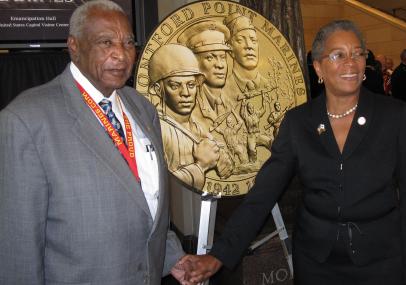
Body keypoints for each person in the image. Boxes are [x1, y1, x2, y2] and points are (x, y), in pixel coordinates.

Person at [179, 20, 406, 285]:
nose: (351, 63)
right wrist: (219, 255)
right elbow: (263, 194)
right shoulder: (299, 123)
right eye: (339, 55)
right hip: (317, 262)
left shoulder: (395, 116)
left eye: (357, 53)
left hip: (380, 260)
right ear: (319, 67)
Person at [0, 1, 191, 284]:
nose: (122, 54)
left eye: (128, 43)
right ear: (74, 46)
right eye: (106, 42)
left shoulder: (142, 108)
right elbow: (18, 248)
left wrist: (172, 256)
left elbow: (146, 199)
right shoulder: (26, 120)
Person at [148, 43, 233, 188]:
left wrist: (221, 156)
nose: (186, 93)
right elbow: (158, 187)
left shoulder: (197, 126)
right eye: (175, 86)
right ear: (158, 90)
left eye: (191, 85)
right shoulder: (156, 130)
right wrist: (201, 165)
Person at [177, 20, 233, 129]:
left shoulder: (232, 100)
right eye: (210, 57)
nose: (220, 65)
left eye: (223, 57)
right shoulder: (186, 106)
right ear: (195, 63)